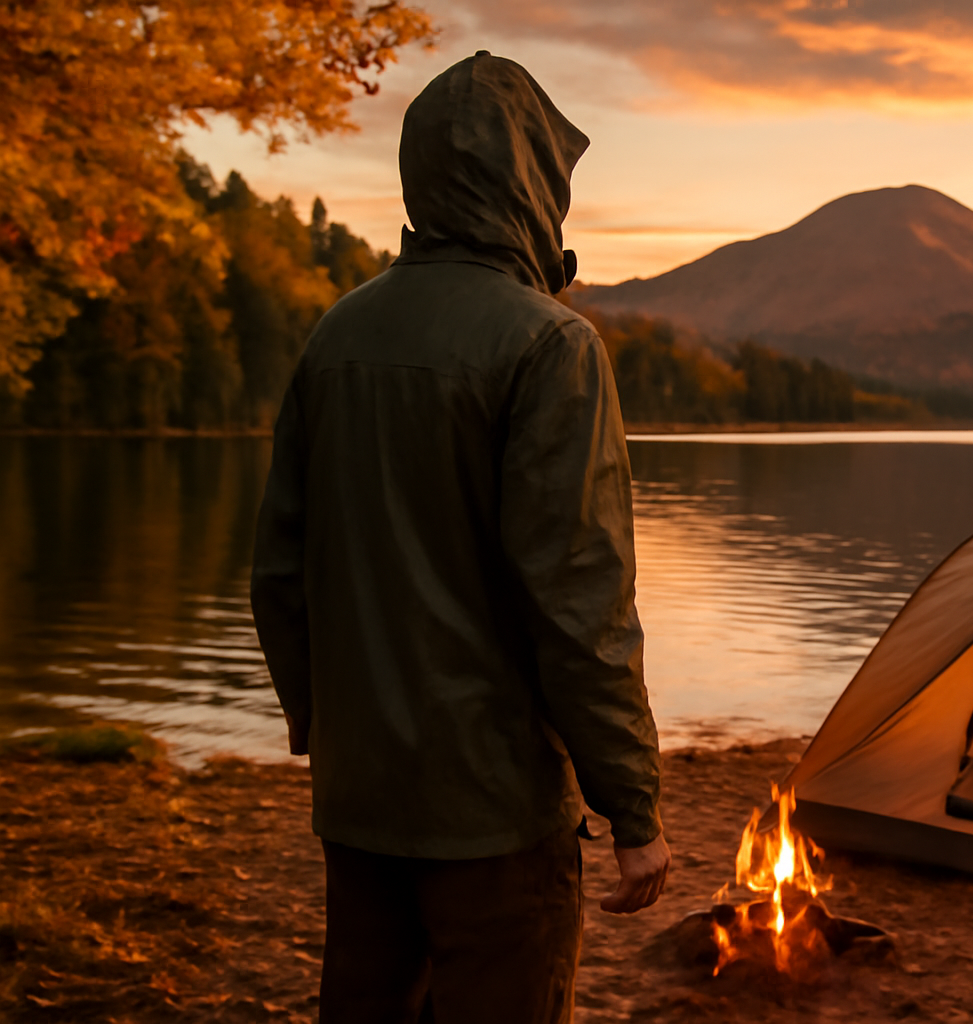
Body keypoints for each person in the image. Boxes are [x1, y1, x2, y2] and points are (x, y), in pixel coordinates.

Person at [250, 52, 669, 1024]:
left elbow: (278, 572)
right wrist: (633, 808)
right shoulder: (548, 345)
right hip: (497, 821)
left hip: (360, 805)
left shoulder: (335, 333)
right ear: (532, 180)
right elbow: (580, 605)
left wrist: (325, 725)